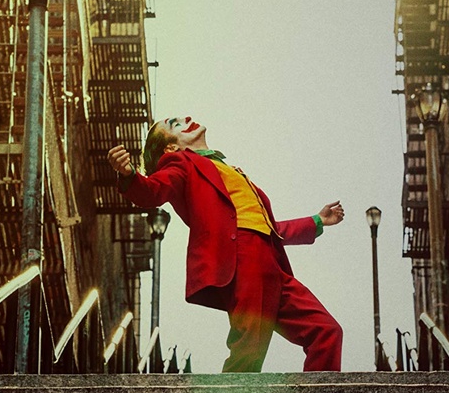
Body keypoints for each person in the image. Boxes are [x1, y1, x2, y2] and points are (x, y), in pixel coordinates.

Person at [107, 116, 344, 372]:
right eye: (175, 124)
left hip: (272, 264)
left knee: (326, 331)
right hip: (242, 258)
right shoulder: (180, 163)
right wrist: (129, 175)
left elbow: (269, 228)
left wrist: (317, 221)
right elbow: (153, 190)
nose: (186, 119)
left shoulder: (230, 170)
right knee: (250, 344)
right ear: (171, 148)